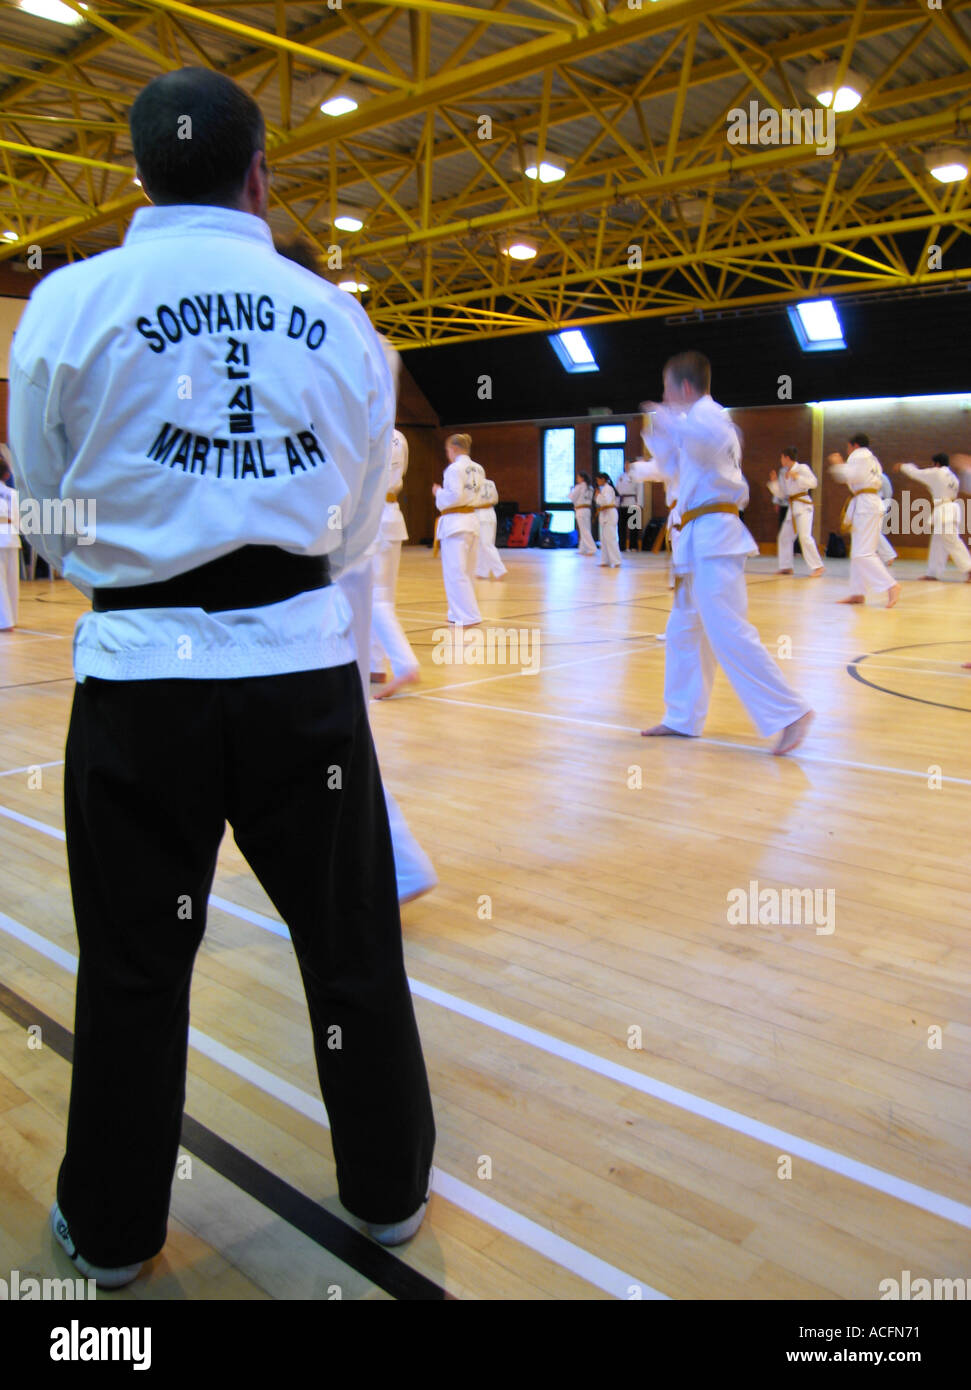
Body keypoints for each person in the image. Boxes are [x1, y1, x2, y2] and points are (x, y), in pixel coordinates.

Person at [8, 67, 435, 1288]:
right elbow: (359, 514)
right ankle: (388, 1186)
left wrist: (129, 556)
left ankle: (115, 1227)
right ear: (260, 173)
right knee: (350, 940)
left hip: (142, 675)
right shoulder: (334, 313)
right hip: (301, 672)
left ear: (141, 173)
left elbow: (45, 500)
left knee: (137, 960)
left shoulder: (71, 303)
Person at [639, 352, 813, 755]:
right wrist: (660, 433)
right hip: (695, 537)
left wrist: (668, 422)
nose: (664, 397)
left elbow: (704, 444)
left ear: (684, 388)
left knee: (726, 628)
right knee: (684, 627)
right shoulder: (693, 423)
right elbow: (672, 464)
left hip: (716, 535)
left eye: (667, 388)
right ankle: (682, 716)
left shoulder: (711, 418)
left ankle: (790, 712)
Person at [370, 427, 423, 693]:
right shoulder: (399, 435)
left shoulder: (363, 428)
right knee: (382, 597)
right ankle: (375, 665)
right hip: (391, 515)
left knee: (373, 599)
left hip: (371, 519)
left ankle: (404, 664)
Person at [827, 434, 900, 607]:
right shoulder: (872, 459)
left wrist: (838, 464)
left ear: (854, 445)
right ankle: (857, 593)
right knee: (858, 552)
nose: (847, 451)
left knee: (863, 553)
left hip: (866, 505)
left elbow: (852, 476)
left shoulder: (859, 455)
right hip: (868, 503)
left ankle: (891, 585)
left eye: (848, 447)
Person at [893, 454, 971, 582]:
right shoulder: (953, 477)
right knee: (938, 543)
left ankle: (969, 568)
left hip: (945, 509)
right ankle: (933, 573)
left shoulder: (937, 473)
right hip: (948, 508)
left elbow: (916, 473)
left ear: (936, 464)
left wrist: (903, 466)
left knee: (951, 540)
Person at [433, 433, 481, 626]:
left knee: (455, 572)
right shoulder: (478, 468)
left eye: (447, 451)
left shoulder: (454, 469)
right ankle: (456, 612)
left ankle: (468, 615)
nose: (448, 455)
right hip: (471, 521)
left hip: (456, 523)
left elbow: (453, 497)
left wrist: (438, 493)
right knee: (467, 572)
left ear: (453, 449)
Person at [767, 448, 824, 577]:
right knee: (784, 537)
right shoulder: (785, 473)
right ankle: (786, 567)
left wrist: (797, 477)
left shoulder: (802, 468)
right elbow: (782, 494)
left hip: (803, 505)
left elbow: (813, 483)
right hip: (792, 507)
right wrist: (775, 482)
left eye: (782, 458)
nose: (781, 460)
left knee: (804, 537)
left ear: (786, 457)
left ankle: (818, 566)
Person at [475, 474, 507, 579]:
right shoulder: (490, 483)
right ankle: (481, 571)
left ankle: (499, 570)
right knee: (482, 544)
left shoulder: (474, 485)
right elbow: (495, 500)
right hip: (490, 514)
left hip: (482, 515)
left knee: (486, 544)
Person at [0, 465, 20, 629]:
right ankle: (12, 617)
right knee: (12, 580)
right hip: (11, 536)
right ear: (7, 475)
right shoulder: (13, 494)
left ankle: (4, 622)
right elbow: (20, 521)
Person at [595, 472, 622, 567]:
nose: (597, 482)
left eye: (598, 480)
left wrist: (598, 495)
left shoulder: (608, 489)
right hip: (606, 514)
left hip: (610, 514)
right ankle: (605, 560)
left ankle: (616, 561)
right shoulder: (605, 489)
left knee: (611, 538)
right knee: (604, 539)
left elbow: (605, 501)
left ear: (603, 479)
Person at [570, 471, 596, 554]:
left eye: (578, 477)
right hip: (587, 509)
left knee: (584, 530)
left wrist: (571, 490)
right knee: (585, 529)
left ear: (582, 478)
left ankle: (592, 548)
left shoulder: (579, 487)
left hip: (581, 509)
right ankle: (583, 548)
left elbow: (573, 498)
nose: (577, 479)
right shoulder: (590, 487)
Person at [616, 460, 639, 551]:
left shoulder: (636, 477)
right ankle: (622, 546)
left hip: (633, 502)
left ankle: (633, 546)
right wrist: (616, 503)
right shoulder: (620, 477)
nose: (626, 466)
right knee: (621, 526)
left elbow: (639, 491)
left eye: (628, 464)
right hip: (622, 503)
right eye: (625, 464)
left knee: (634, 526)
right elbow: (617, 491)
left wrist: (639, 504)